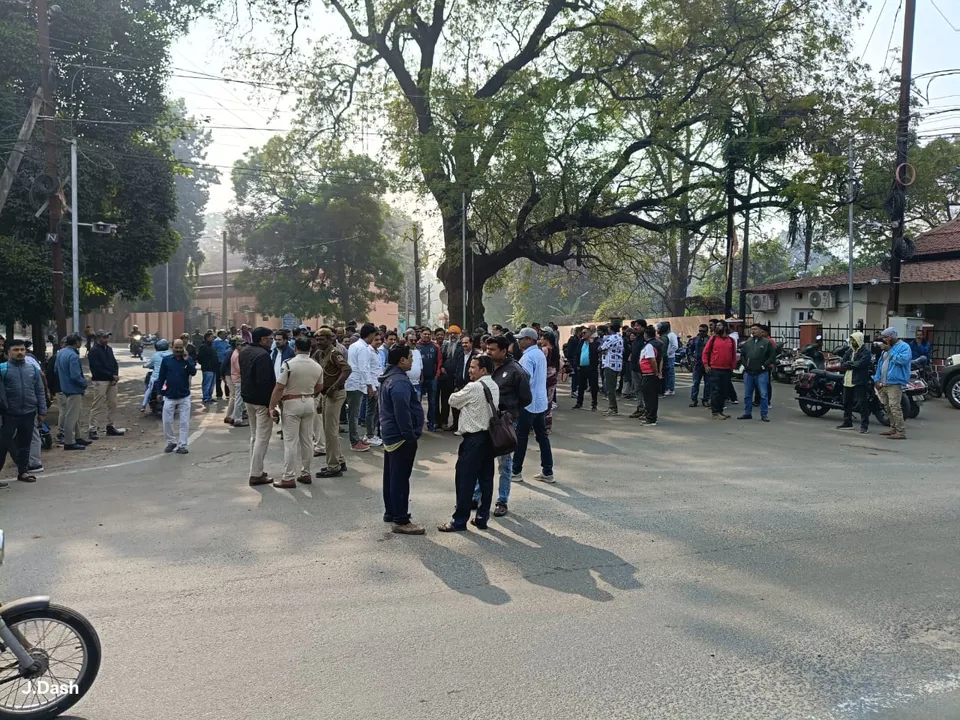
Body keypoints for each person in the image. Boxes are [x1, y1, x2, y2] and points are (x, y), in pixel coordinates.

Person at [439, 355, 500, 532]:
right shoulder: (494, 385)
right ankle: (482, 517)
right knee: (486, 479)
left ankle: (459, 521)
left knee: (465, 480)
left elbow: (452, 400)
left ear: (484, 370)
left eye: (473, 367)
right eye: (470, 367)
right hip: (489, 439)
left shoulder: (474, 387)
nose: (470, 370)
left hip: (474, 439)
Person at [478, 336, 532, 517]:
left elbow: (526, 398)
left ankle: (502, 500)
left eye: (492, 350)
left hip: (504, 424)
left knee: (504, 463)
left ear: (504, 350)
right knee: (482, 460)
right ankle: (476, 495)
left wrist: (509, 413)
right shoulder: (487, 367)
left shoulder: (516, 371)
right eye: (487, 349)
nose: (488, 352)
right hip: (485, 420)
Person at [378, 344, 426, 535]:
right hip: (400, 437)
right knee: (399, 478)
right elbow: (402, 412)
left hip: (391, 434)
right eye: (410, 358)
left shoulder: (390, 376)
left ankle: (392, 511)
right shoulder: (398, 382)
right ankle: (401, 519)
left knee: (392, 475)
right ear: (402, 360)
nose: (412, 361)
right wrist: (410, 435)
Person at [267, 336, 323, 489]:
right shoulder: (316, 366)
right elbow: (320, 386)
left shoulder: (289, 365)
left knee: (290, 442)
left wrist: (272, 406)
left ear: (296, 348)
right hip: (309, 401)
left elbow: (279, 387)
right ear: (310, 349)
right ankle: (306, 473)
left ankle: (288, 476)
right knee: (306, 440)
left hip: (291, 402)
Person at [0, 339, 47, 484]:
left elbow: (39, 391)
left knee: (25, 444)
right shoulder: (3, 369)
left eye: (22, 350)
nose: (20, 352)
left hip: (29, 412)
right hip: (8, 414)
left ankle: (23, 472)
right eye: (16, 350)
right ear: (8, 352)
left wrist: (42, 411)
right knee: (2, 445)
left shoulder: (32, 369)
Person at [512, 327, 554, 483]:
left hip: (528, 403)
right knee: (542, 437)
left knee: (521, 437)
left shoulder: (527, 357)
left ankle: (516, 471)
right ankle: (548, 471)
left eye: (521, 338)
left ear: (529, 340)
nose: (518, 341)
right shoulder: (539, 354)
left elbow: (525, 381)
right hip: (540, 402)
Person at [313, 328, 352, 478]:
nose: (319, 342)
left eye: (322, 339)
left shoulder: (334, 353)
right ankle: (339, 460)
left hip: (335, 394)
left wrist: (334, 386)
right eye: (317, 339)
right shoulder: (320, 354)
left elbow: (347, 370)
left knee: (330, 432)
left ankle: (333, 466)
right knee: (328, 429)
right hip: (325, 394)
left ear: (330, 339)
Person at [240, 327, 277, 484]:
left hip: (248, 398)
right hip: (261, 401)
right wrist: (272, 405)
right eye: (270, 339)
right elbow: (265, 382)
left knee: (255, 436)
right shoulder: (263, 356)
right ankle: (256, 473)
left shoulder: (245, 351)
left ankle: (256, 469)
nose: (272, 341)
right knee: (262, 437)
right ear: (262, 339)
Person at [156, 339, 197, 455]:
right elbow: (161, 377)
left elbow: (193, 372)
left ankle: (182, 445)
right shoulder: (166, 360)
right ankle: (171, 442)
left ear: (183, 347)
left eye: (180, 347)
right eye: (176, 347)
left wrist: (187, 361)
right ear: (172, 347)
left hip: (184, 396)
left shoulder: (187, 360)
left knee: (184, 422)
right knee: (167, 421)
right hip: (169, 396)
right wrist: (159, 392)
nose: (178, 350)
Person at [344, 323, 379, 452]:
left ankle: (356, 439)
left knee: (354, 414)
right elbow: (364, 368)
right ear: (370, 335)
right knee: (354, 415)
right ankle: (354, 441)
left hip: (354, 382)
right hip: (356, 383)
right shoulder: (363, 348)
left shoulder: (354, 345)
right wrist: (370, 386)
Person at [874, 327, 912, 440]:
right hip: (884, 382)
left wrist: (889, 350)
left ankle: (901, 431)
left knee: (894, 406)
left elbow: (902, 361)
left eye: (885, 337)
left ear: (891, 337)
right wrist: (877, 379)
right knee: (887, 406)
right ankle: (893, 428)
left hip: (895, 382)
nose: (884, 339)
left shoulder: (904, 347)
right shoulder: (886, 349)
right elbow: (881, 364)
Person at [87, 330, 125, 440]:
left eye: (107, 337)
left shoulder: (109, 349)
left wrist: (115, 375)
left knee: (113, 403)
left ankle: (110, 426)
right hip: (100, 381)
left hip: (111, 380)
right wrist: (111, 376)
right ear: (98, 338)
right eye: (104, 337)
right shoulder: (94, 351)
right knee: (97, 405)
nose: (106, 339)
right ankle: (92, 429)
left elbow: (114, 363)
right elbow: (96, 369)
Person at [55, 334, 89, 450]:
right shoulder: (73, 355)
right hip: (74, 388)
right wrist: (84, 383)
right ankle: (69, 442)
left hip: (65, 387)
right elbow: (75, 376)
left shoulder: (60, 353)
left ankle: (78, 437)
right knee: (72, 417)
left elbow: (56, 369)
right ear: (77, 342)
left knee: (75, 414)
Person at [738, 323, 777, 422]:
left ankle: (764, 414)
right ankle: (747, 413)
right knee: (747, 394)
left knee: (763, 395)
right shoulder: (748, 342)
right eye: (752, 329)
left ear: (761, 331)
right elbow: (742, 355)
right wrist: (745, 365)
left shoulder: (766, 342)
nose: (753, 331)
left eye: (755, 329)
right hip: (749, 372)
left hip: (761, 373)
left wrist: (764, 366)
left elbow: (772, 356)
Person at [838, 331, 873, 434]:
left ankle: (864, 425)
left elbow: (861, 364)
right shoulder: (849, 351)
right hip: (848, 380)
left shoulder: (865, 352)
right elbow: (842, 363)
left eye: (854, 340)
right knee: (846, 402)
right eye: (851, 339)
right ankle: (847, 422)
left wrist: (850, 364)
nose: (852, 342)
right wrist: (849, 364)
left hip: (859, 381)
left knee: (862, 403)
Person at [703, 319, 737, 420]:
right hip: (715, 369)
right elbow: (705, 352)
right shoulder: (713, 339)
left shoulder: (731, 340)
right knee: (716, 391)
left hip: (727, 369)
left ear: (725, 327)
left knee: (724, 391)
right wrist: (706, 365)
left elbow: (733, 354)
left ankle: (721, 411)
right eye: (716, 325)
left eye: (719, 325)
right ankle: (715, 412)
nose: (717, 327)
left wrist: (732, 367)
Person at [637, 325, 663, 426]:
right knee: (651, 397)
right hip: (651, 374)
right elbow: (660, 359)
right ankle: (651, 417)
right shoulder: (657, 344)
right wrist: (659, 372)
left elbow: (652, 360)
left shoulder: (649, 346)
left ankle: (651, 418)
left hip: (649, 374)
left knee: (649, 397)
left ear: (646, 334)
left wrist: (656, 372)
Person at [451, 333, 477, 432]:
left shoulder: (476, 355)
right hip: (459, 384)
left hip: (470, 384)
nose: (464, 345)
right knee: (457, 405)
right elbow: (456, 368)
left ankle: (468, 428)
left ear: (471, 343)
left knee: (469, 407)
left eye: (466, 343)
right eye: (462, 343)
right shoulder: (459, 354)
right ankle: (456, 425)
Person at [417, 328, 441, 431]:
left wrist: (437, 375)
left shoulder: (435, 346)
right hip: (419, 379)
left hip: (432, 378)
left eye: (428, 334)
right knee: (418, 402)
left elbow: (439, 361)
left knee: (433, 402)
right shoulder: (416, 346)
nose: (426, 335)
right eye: (424, 334)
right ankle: (418, 424)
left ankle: (431, 422)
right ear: (421, 334)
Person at [438, 325, 461, 429]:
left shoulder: (461, 345)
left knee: (456, 401)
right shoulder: (445, 345)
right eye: (451, 333)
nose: (452, 335)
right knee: (444, 400)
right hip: (445, 377)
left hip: (456, 378)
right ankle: (444, 422)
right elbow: (441, 359)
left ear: (458, 335)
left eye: (454, 333)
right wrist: (442, 367)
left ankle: (456, 424)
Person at [364, 332, 385, 446]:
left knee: (377, 411)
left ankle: (373, 434)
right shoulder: (368, 352)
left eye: (379, 339)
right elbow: (367, 369)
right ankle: (369, 435)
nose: (378, 342)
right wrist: (371, 387)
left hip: (378, 384)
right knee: (371, 411)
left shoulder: (377, 352)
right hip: (372, 385)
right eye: (375, 340)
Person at [573, 326, 600, 411]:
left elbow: (596, 354)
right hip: (582, 367)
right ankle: (579, 403)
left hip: (591, 368)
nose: (583, 334)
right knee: (581, 386)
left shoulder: (595, 343)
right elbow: (577, 354)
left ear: (589, 333)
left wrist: (591, 343)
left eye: (585, 333)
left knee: (593, 386)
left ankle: (594, 404)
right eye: (582, 333)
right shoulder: (581, 342)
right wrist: (577, 364)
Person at [599, 320, 623, 415]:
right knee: (611, 386)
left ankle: (612, 408)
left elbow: (600, 348)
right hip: (616, 364)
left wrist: (603, 350)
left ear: (611, 329)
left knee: (610, 388)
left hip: (610, 364)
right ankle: (612, 407)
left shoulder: (612, 338)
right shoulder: (619, 337)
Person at [142, 339, 172, 411]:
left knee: (149, 389)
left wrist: (144, 365)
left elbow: (149, 364)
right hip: (168, 378)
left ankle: (143, 405)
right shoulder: (171, 354)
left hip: (156, 378)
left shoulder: (155, 355)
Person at [540, 330, 560, 430]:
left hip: (545, 378)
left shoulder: (544, 350)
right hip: (553, 378)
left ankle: (541, 425)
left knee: (542, 402)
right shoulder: (555, 350)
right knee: (549, 402)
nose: (540, 340)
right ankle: (548, 426)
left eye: (542, 338)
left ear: (546, 340)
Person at [688, 324, 711, 408]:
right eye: (700, 331)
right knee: (695, 383)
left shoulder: (710, 340)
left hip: (707, 365)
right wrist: (691, 358)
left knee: (708, 383)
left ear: (707, 331)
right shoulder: (694, 340)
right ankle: (694, 400)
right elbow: (690, 350)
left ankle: (705, 399)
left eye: (703, 331)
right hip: (697, 365)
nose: (701, 332)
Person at [659, 321, 679, 396]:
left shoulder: (671, 335)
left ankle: (671, 388)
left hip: (670, 357)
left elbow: (675, 346)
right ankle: (667, 387)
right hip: (665, 356)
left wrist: (668, 353)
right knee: (666, 372)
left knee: (670, 372)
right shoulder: (664, 335)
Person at [213, 329, 232, 400]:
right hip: (219, 362)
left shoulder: (227, 341)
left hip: (227, 362)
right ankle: (219, 395)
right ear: (220, 334)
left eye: (226, 333)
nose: (226, 335)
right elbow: (213, 351)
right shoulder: (216, 342)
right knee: (219, 379)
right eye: (224, 333)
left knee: (227, 378)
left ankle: (227, 394)